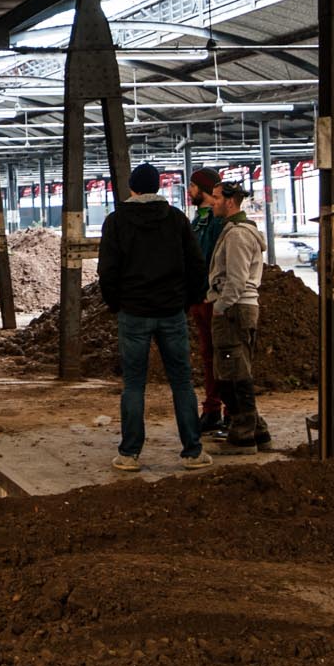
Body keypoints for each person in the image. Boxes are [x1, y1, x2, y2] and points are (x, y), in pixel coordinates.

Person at [98, 162, 212, 473]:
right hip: (171, 312)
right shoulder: (176, 219)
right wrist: (187, 300)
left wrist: (116, 304)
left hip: (134, 312)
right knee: (182, 383)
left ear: (132, 189)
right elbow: (196, 265)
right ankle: (192, 451)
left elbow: (107, 271)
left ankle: (129, 454)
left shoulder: (117, 221)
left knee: (134, 385)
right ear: (158, 188)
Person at [207, 180, 271, 450]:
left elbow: (236, 279)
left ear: (230, 202)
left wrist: (221, 307)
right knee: (237, 369)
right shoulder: (238, 231)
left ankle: (243, 435)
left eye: (217, 197)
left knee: (231, 373)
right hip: (240, 307)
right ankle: (258, 431)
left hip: (234, 309)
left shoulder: (237, 235)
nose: (213, 202)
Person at [185, 168, 226, 435]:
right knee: (209, 355)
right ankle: (212, 410)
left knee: (220, 355)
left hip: (213, 298)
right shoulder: (197, 220)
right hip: (200, 298)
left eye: (192, 186)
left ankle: (225, 411)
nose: (189, 191)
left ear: (203, 189)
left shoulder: (215, 222)